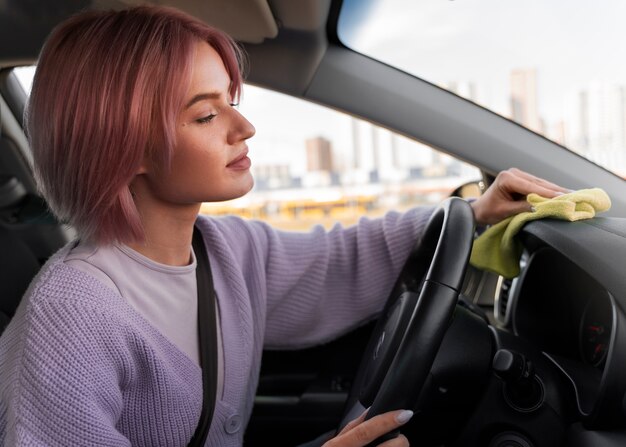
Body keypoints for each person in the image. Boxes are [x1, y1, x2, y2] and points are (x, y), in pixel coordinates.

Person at [0, 6, 568, 447]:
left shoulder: (227, 251)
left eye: (230, 99)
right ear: (121, 146)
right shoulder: (70, 316)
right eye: (206, 114)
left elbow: (343, 260)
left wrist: (472, 212)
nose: (244, 126)